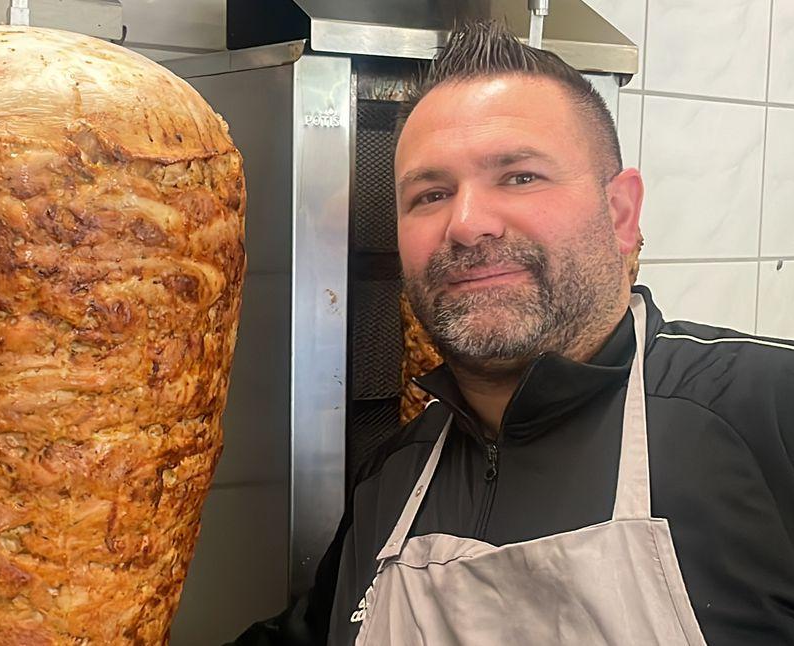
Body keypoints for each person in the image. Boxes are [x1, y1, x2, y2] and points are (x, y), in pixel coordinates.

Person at [232, 20, 794, 646]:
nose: (468, 224)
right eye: (431, 194)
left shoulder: (768, 411)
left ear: (621, 214)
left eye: (519, 176)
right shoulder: (392, 479)